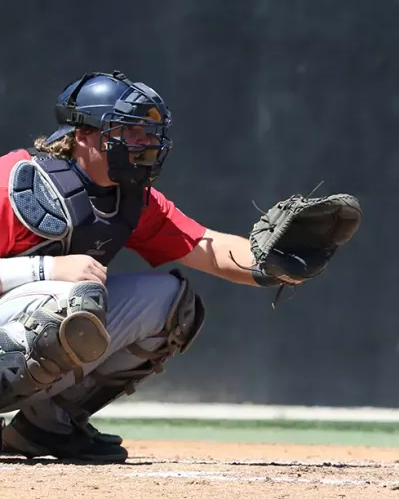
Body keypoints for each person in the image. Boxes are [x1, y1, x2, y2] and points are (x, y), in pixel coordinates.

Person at [0, 71, 343, 463]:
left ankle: (46, 426)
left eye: (147, 133)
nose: (143, 143)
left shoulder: (128, 199)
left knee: (171, 304)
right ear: (83, 134)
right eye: (128, 131)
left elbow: (208, 248)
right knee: (71, 299)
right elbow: (56, 279)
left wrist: (279, 263)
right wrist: (45, 270)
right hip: (30, 303)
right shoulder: (14, 182)